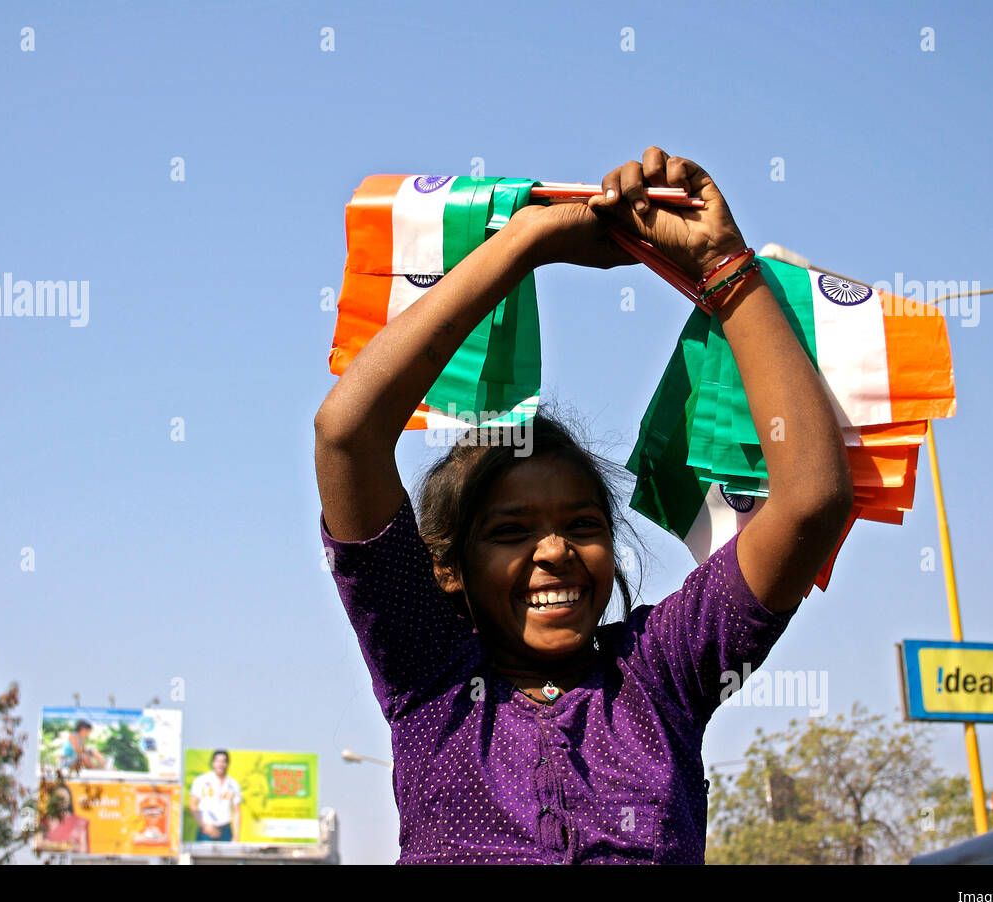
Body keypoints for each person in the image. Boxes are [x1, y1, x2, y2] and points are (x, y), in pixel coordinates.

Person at [314, 146, 853, 864]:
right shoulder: (431, 677)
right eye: (511, 530)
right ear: (448, 569)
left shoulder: (660, 675)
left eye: (582, 525)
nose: (556, 550)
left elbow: (813, 500)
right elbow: (345, 436)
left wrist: (725, 266)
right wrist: (528, 242)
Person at [188, 750, 242, 842]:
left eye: (223, 761)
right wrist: (204, 825)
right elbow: (192, 805)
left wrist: (236, 836)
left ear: (227, 764)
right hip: (207, 828)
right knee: (203, 855)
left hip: (225, 828)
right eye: (217, 761)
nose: (220, 765)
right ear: (213, 763)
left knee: (227, 856)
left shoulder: (233, 784)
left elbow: (236, 811)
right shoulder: (202, 780)